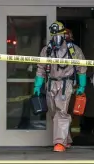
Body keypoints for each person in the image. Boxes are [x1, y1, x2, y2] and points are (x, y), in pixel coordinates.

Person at [33, 21, 87, 152]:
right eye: (54, 35)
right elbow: (40, 68)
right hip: (50, 83)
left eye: (59, 34)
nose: (57, 37)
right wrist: (38, 85)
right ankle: (66, 139)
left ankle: (59, 143)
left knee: (61, 113)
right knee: (53, 113)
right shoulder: (47, 50)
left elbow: (82, 68)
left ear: (64, 34)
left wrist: (82, 85)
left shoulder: (74, 50)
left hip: (66, 84)